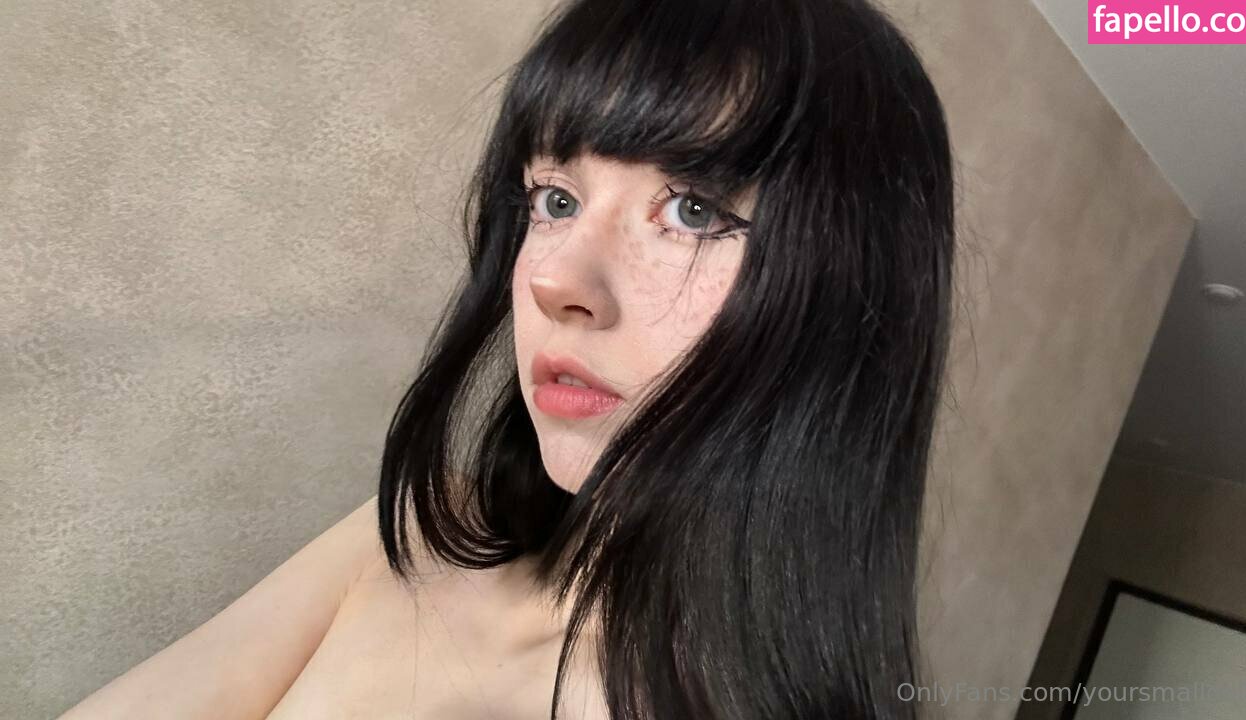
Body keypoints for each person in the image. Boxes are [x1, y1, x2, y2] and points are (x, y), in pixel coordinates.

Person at [60, 0, 955, 717]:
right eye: (555, 199)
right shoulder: (418, 532)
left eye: (692, 211)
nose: (557, 281)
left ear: (851, 295)